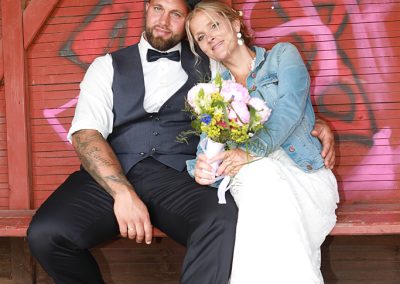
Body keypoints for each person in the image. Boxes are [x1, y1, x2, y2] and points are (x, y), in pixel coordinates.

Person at [27, 0, 335, 283]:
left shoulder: (213, 65)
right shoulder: (106, 66)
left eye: (176, 13)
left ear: (186, 23)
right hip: (115, 172)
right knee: (46, 234)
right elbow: (86, 135)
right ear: (146, 10)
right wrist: (121, 192)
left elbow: (256, 100)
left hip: (176, 177)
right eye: (157, 8)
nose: (164, 20)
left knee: (222, 221)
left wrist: (312, 123)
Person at [185, 1, 339, 283]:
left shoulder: (283, 56)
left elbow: (290, 110)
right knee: (260, 177)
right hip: (253, 184)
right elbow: (208, 147)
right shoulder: (213, 92)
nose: (210, 38)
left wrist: (250, 152)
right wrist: (201, 168)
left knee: (262, 185)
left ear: (235, 23)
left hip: (303, 174)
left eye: (214, 26)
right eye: (201, 37)